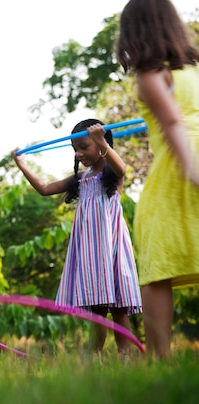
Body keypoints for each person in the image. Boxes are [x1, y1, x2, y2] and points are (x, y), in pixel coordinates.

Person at [12, 120, 142, 353]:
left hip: (110, 247)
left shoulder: (112, 174)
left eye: (84, 147)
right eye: (75, 149)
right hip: (90, 254)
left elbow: (121, 168)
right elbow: (44, 188)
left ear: (102, 143)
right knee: (97, 310)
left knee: (119, 308)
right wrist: (21, 164)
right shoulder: (80, 179)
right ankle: (92, 359)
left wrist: (101, 142)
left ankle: (126, 359)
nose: (79, 154)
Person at [116, 0, 199, 358]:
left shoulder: (151, 75)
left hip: (178, 171)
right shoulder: (192, 71)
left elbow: (174, 124)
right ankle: (159, 359)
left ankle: (160, 359)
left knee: (158, 263)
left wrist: (192, 169)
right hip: (187, 162)